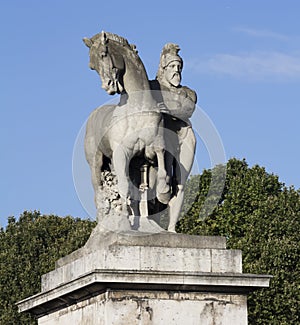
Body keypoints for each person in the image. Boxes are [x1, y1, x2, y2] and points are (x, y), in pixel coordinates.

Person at [150, 43, 197, 232]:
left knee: (180, 182)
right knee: (161, 179)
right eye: (172, 66)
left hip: (184, 134)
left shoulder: (188, 92)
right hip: (161, 136)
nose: (176, 70)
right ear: (164, 68)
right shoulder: (153, 86)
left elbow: (188, 109)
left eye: (179, 67)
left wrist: (167, 109)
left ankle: (172, 227)